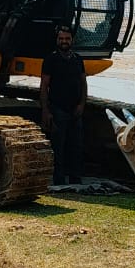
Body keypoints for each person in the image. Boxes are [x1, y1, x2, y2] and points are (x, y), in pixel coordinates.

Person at [40, 25, 87, 186]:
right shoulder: (50, 59)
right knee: (58, 147)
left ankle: (76, 179)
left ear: (72, 40)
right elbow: (44, 86)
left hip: (75, 109)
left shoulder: (78, 59)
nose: (64, 41)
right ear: (57, 40)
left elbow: (83, 83)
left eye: (67, 39)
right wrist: (46, 111)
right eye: (61, 39)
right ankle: (58, 179)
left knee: (76, 145)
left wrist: (81, 104)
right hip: (58, 109)